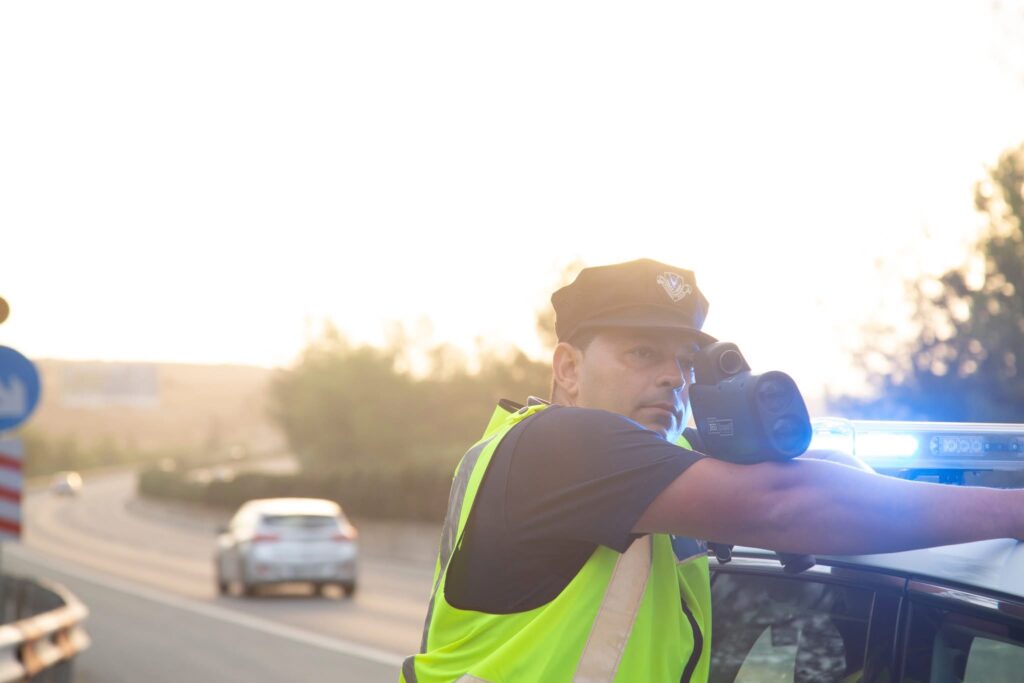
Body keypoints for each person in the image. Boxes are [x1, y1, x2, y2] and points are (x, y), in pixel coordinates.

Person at [400, 258, 1024, 683]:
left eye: (685, 360)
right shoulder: (558, 447)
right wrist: (1010, 509)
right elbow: (786, 504)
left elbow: (807, 477)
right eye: (643, 353)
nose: (674, 376)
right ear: (567, 369)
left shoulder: (653, 476)